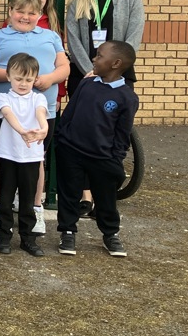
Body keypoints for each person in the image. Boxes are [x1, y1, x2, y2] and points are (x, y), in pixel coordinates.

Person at [65, 0, 145, 216]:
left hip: (118, 75)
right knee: (84, 133)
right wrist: (91, 70)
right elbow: (73, 39)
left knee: (111, 134)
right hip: (85, 76)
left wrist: (115, 70)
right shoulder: (78, 2)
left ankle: (105, 193)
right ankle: (86, 195)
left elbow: (132, 38)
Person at [0, 0, 69, 236]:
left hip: (43, 108)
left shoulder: (51, 36)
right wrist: (22, 79)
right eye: (20, 11)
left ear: (39, 15)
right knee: (7, 158)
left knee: (37, 158)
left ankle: (35, 207)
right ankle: (3, 208)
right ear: (10, 11)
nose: (25, 17)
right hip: (8, 109)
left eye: (32, 13)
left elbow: (64, 67)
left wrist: (47, 79)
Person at [55, 41, 139, 257]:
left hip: (102, 158)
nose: (94, 59)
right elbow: (69, 113)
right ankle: (67, 231)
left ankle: (110, 234)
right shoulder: (87, 84)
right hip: (71, 151)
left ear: (116, 63)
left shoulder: (127, 97)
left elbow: (123, 133)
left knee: (106, 198)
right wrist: (62, 139)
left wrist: (115, 159)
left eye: (100, 56)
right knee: (69, 193)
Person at [0, 53, 49, 257]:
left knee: (28, 200)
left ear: (35, 79)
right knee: (5, 199)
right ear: (8, 76)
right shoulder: (3, 97)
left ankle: (28, 238)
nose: (23, 83)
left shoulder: (39, 97)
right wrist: (22, 132)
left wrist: (43, 129)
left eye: (28, 79)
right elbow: (8, 115)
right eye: (18, 78)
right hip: (9, 156)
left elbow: (41, 114)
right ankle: (4, 236)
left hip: (31, 158)